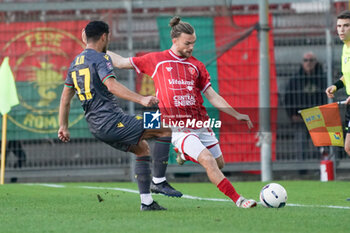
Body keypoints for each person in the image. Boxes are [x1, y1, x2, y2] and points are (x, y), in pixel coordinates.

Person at [106, 16, 257, 208]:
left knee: (219, 164)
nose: (191, 47)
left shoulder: (197, 66)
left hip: (200, 124)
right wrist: (95, 51)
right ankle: (240, 200)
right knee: (208, 161)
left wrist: (236, 114)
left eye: (193, 43)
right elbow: (120, 62)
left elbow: (211, 95)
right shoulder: (156, 60)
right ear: (175, 40)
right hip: (177, 127)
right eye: (187, 43)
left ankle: (184, 155)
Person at [58, 21, 181, 212]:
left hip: (97, 126)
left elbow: (65, 98)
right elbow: (112, 86)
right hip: (113, 122)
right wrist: (141, 99)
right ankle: (159, 181)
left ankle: (147, 203)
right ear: (104, 36)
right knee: (164, 127)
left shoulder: (76, 62)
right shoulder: (100, 58)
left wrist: (63, 126)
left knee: (142, 149)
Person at [284, 52, 327, 160]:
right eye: (306, 60)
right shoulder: (295, 80)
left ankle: (323, 168)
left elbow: (327, 98)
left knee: (322, 145)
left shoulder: (323, 79)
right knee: (300, 145)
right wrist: (292, 115)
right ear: (302, 63)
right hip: (300, 117)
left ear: (315, 62)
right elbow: (288, 98)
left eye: (311, 60)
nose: (308, 63)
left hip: (318, 117)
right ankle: (301, 170)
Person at [326, 10, 350, 157]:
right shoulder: (345, 48)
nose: (341, 30)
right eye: (339, 26)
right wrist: (336, 86)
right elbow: (347, 76)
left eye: (346, 26)